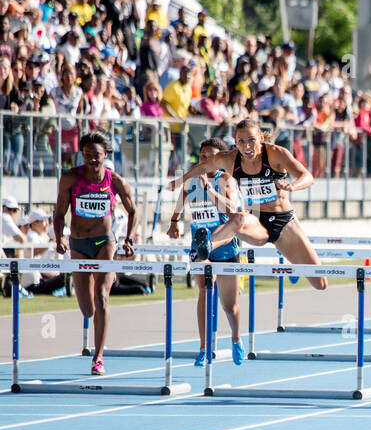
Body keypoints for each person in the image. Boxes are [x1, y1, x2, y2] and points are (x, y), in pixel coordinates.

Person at [169, 116, 327, 289]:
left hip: (283, 222)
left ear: (260, 137)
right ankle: (206, 245)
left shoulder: (275, 153)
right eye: (241, 142)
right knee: (238, 219)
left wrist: (292, 185)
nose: (247, 147)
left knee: (320, 283)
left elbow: (308, 176)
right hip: (256, 221)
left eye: (251, 140)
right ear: (236, 142)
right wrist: (180, 180)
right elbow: (203, 167)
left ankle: (295, 266)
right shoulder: (230, 159)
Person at [52, 131, 136, 374]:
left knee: (101, 297)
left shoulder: (115, 181)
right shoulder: (69, 178)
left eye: (96, 155)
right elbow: (58, 213)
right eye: (87, 155)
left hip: (104, 243)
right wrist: (59, 237)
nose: (92, 159)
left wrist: (128, 239)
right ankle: (95, 332)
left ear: (105, 155)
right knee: (87, 309)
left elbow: (133, 211)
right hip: (78, 244)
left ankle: (98, 357)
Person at [167, 136, 244, 365]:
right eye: (202, 157)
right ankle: (204, 347)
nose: (206, 161)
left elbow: (231, 208)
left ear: (219, 160)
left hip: (225, 245)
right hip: (200, 246)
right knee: (204, 292)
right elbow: (181, 199)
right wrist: (174, 222)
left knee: (229, 305)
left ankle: (236, 338)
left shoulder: (226, 179)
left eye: (211, 157)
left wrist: (208, 189)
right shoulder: (192, 180)